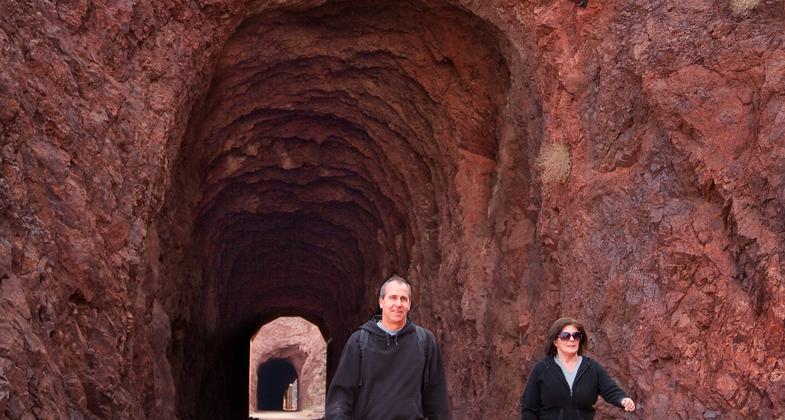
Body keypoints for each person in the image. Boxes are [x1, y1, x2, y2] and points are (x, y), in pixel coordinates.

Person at [326, 274, 450, 419]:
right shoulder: (359, 341)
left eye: (403, 299)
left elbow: (437, 400)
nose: (398, 303)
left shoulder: (425, 342)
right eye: (392, 297)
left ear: (409, 304)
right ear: (381, 302)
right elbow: (341, 397)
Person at [521, 317, 636, 419]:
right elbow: (529, 408)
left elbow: (611, 390)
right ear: (555, 341)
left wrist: (623, 400)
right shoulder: (542, 369)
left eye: (576, 336)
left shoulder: (592, 368)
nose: (571, 339)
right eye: (565, 336)